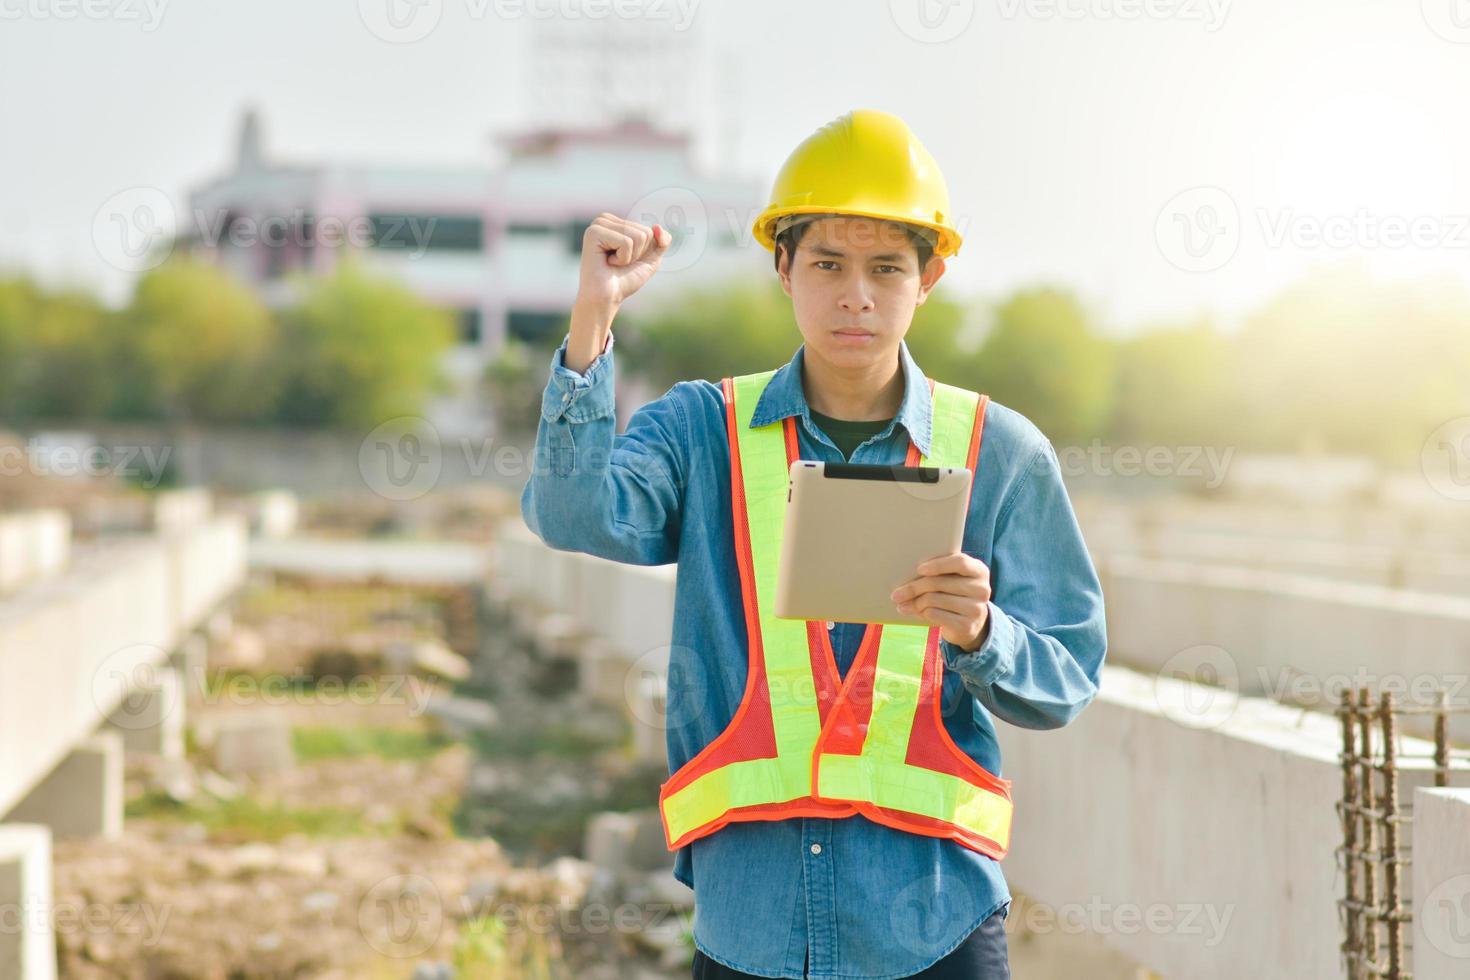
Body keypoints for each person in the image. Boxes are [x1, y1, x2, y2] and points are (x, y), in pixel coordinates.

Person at [521, 108, 1107, 980]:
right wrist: (591, 326)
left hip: (935, 919)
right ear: (783, 268)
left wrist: (985, 636)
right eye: (828, 264)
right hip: (751, 922)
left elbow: (1067, 678)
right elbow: (570, 516)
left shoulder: (1001, 451)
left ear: (930, 276)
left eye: (885, 269)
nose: (856, 296)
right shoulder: (701, 430)